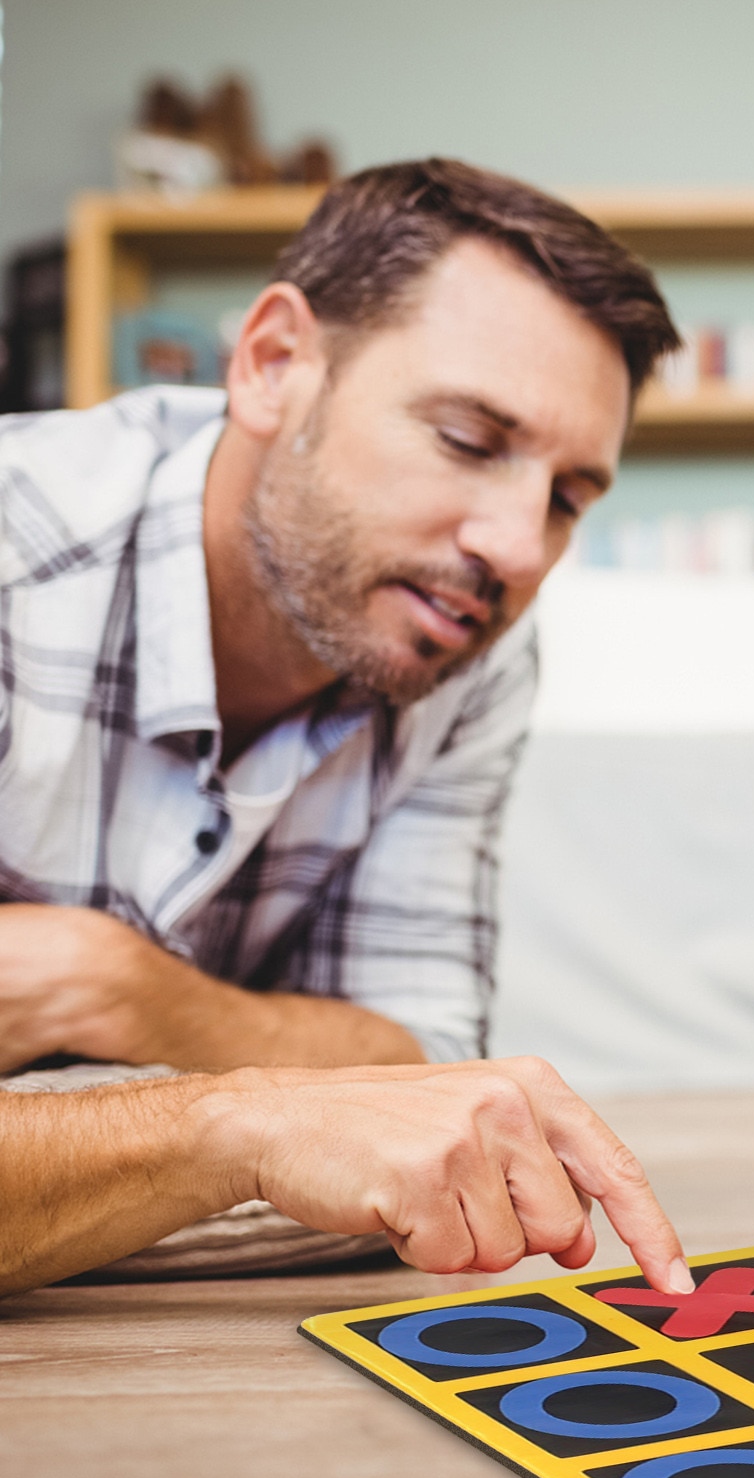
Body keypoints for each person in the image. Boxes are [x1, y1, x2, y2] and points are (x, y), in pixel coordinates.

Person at [0, 159, 694, 1296]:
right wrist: (264, 1115)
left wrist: (119, 992)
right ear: (275, 366)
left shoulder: (464, 641)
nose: (521, 550)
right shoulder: (15, 558)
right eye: (470, 440)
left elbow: (424, 1068)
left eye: (569, 496)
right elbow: (378, 1105)